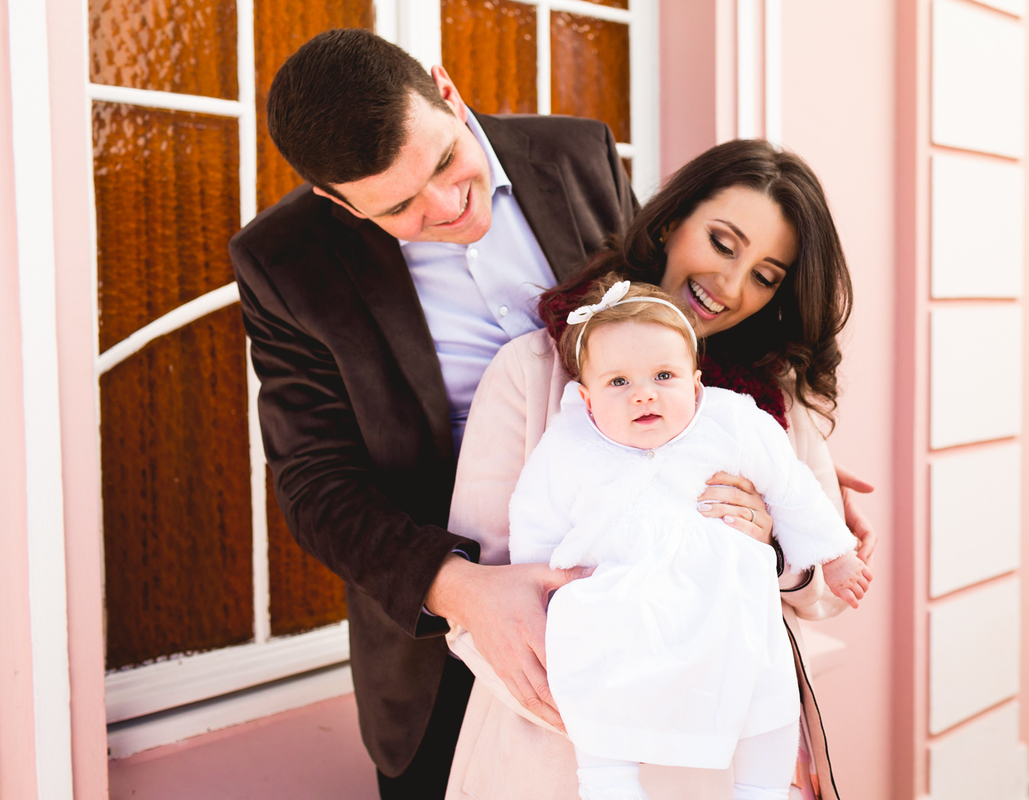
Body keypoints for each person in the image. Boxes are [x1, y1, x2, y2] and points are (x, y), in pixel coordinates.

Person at [228, 28, 636, 798]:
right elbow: (317, 486)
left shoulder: (580, 154)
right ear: (336, 202)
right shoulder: (285, 262)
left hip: (633, 595)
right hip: (439, 663)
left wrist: (773, 447)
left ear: (446, 91)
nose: (449, 206)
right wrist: (462, 591)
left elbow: (668, 333)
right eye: (400, 206)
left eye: (446, 161)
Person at [442, 139, 876, 800]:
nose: (730, 286)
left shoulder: (769, 404)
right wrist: (609, 717)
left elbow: (820, 594)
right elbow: (485, 600)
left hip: (734, 754)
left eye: (766, 275)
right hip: (567, 753)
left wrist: (776, 546)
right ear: (671, 222)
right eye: (724, 242)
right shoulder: (534, 373)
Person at [502, 279, 869, 800]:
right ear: (586, 400)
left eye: (664, 375)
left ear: (696, 384)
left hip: (725, 596)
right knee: (591, 673)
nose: (644, 393)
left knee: (767, 687)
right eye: (618, 383)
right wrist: (537, 587)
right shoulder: (569, 445)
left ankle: (761, 788)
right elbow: (534, 519)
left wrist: (834, 553)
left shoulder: (732, 420)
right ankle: (609, 784)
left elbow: (791, 487)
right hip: (621, 602)